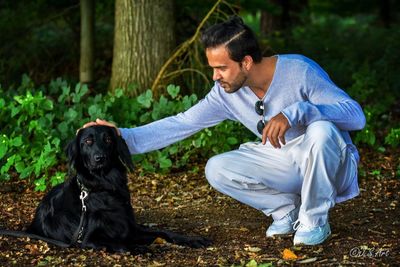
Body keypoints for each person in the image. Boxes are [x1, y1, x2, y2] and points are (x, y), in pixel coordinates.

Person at [82, 16, 366, 246]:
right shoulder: (225, 93)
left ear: (246, 62)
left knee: (321, 130)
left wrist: (296, 112)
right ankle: (285, 211)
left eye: (221, 68)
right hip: (287, 161)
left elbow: (356, 116)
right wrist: (121, 136)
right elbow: (182, 123)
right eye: (212, 68)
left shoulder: (299, 71)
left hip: (331, 162)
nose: (215, 77)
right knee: (217, 168)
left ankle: (315, 220)